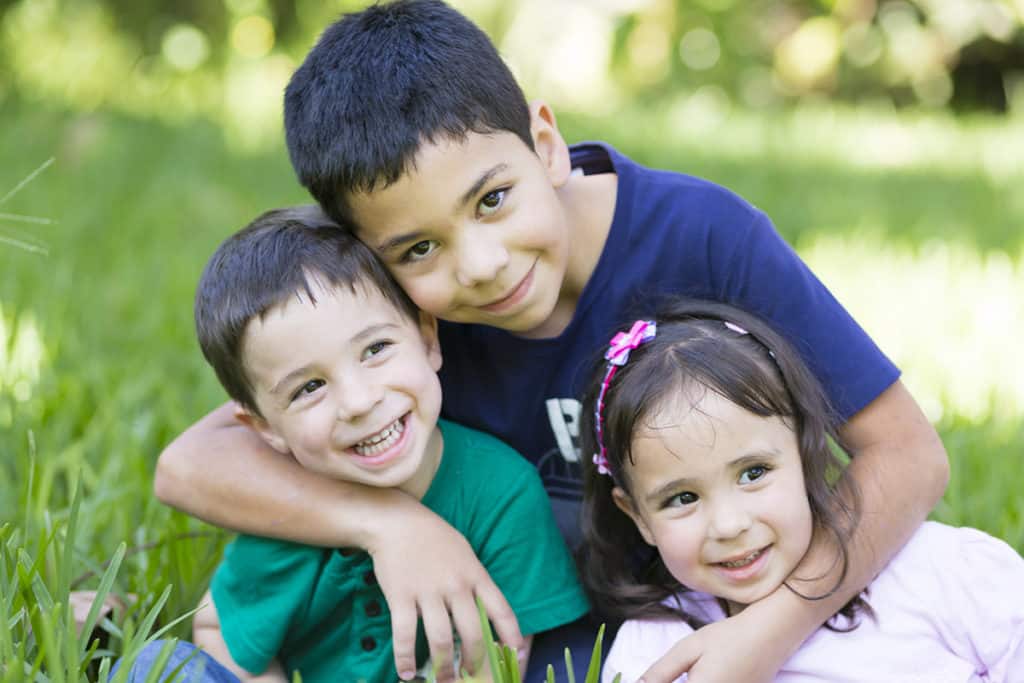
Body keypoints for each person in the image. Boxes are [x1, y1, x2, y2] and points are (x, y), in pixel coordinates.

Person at [154, 2, 950, 681]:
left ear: (543, 140)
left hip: (695, 612)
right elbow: (194, 463)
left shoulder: (705, 239)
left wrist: (764, 633)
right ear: (371, 251)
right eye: (418, 248)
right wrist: (389, 525)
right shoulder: (398, 313)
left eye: (493, 199)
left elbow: (908, 454)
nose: (482, 264)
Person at [126, 206, 588, 683]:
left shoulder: (502, 495)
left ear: (428, 337)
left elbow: (501, 660)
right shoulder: (285, 512)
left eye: (375, 350)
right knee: (153, 667)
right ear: (264, 426)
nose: (359, 401)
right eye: (308, 388)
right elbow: (224, 630)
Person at [576, 300, 1024, 683]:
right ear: (637, 516)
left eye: (754, 473)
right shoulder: (657, 645)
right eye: (683, 498)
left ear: (806, 455)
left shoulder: (942, 573)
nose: (731, 524)